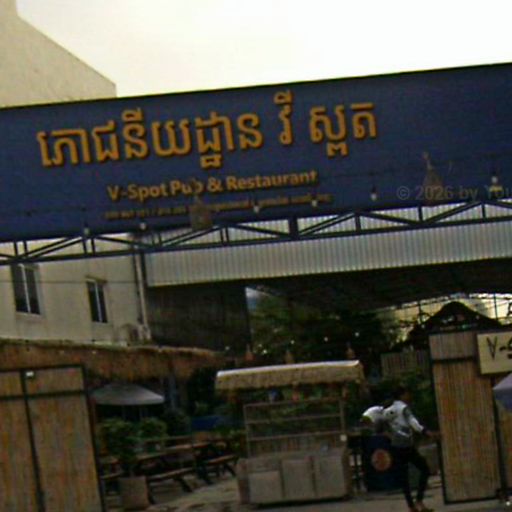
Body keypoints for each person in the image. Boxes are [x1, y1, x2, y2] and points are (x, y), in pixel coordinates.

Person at [383, 385, 438, 512]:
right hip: (407, 445)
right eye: (407, 393)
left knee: (404, 477)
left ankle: (411, 506)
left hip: (396, 446)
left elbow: (380, 423)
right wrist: (426, 432)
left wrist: (389, 435)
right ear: (402, 395)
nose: (409, 396)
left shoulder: (389, 410)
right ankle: (419, 501)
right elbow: (414, 423)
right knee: (424, 469)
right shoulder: (404, 408)